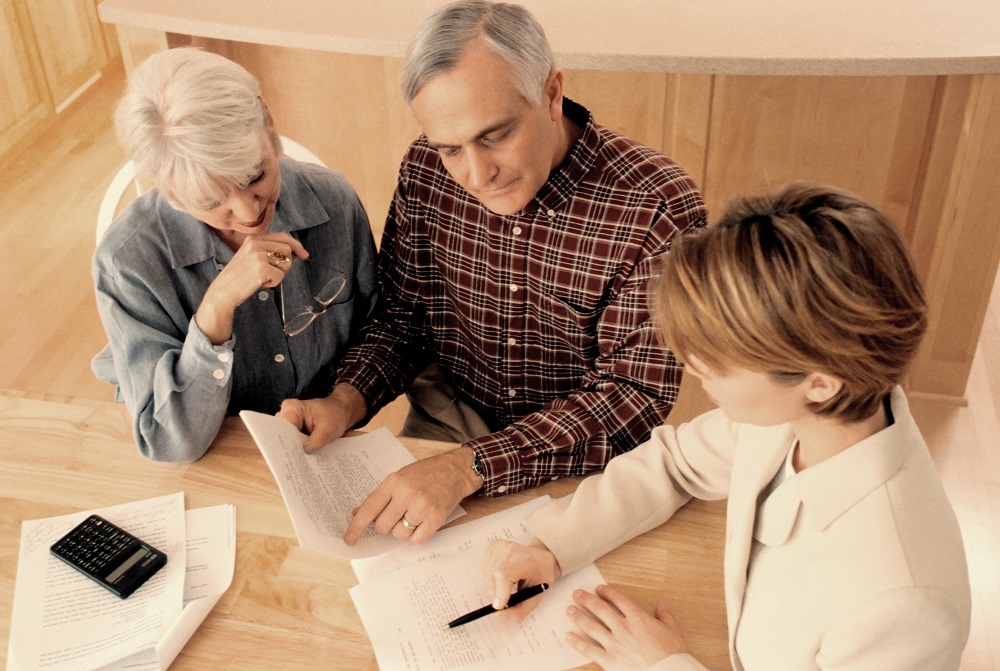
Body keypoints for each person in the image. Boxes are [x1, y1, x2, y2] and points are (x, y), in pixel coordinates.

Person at [480, 182, 972, 670]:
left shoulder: (903, 603)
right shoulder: (800, 417)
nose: (692, 368)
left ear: (819, 383)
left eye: (716, 361)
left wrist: (664, 664)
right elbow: (676, 464)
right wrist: (552, 548)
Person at [278, 0, 706, 543]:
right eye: (451, 148)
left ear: (551, 93)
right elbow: (403, 318)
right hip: (448, 416)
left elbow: (631, 398)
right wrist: (347, 399)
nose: (477, 175)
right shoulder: (426, 169)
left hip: (586, 455)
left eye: (495, 135)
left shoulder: (657, 207)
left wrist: (467, 467)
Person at [92, 48, 378, 462]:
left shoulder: (333, 200)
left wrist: (343, 404)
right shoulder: (127, 261)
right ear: (168, 189)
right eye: (210, 199)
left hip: (321, 447)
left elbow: (379, 334)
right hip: (212, 456)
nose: (249, 212)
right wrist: (214, 313)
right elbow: (168, 443)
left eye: (255, 175)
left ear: (268, 120)